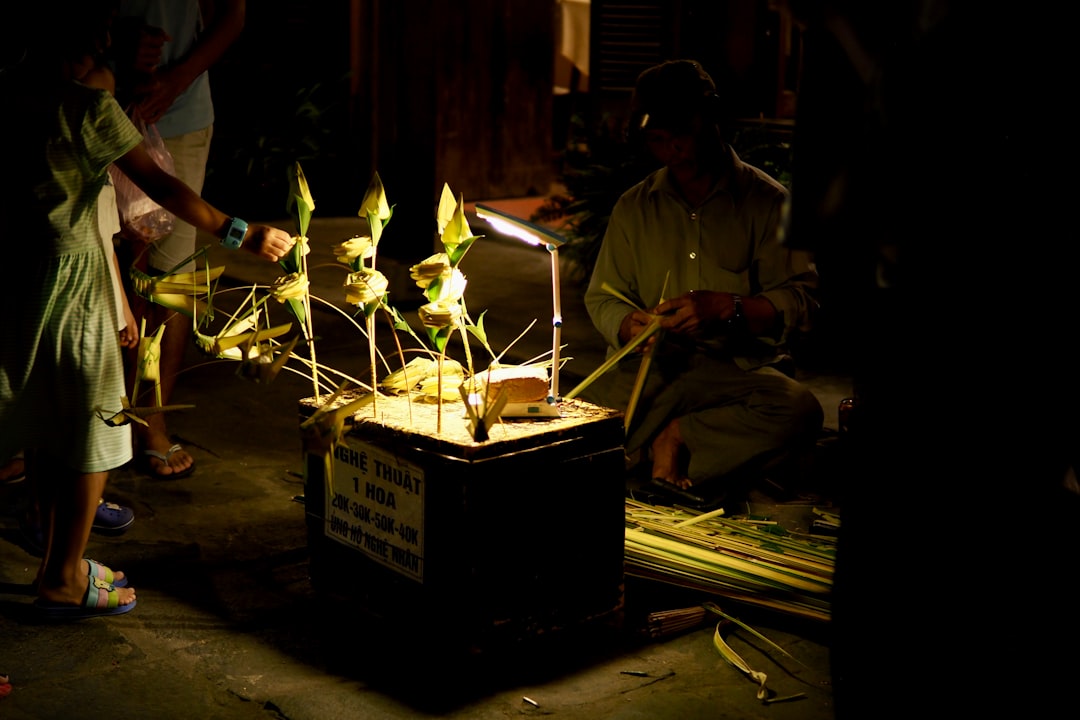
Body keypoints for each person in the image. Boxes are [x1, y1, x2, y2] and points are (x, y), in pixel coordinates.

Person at [0, 0, 293, 618]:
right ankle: (63, 576)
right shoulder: (85, 109)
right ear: (83, 50)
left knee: (38, 423)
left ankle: (57, 554)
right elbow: (162, 186)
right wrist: (239, 231)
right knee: (92, 431)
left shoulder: (8, 99)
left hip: (19, 280)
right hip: (75, 286)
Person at [582, 59, 823, 508]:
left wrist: (729, 308)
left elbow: (804, 301)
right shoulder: (635, 207)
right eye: (658, 139)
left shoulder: (768, 203)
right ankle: (673, 459)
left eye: (683, 134)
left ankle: (674, 441)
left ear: (712, 121)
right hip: (653, 371)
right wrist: (629, 326)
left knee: (798, 410)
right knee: (573, 428)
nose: (674, 150)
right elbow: (602, 296)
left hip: (736, 373)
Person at [109, 0, 245, 479]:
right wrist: (110, 45)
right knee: (97, 268)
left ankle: (151, 417)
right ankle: (82, 423)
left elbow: (233, 12)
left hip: (176, 112)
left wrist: (178, 77)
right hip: (91, 101)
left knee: (169, 279)